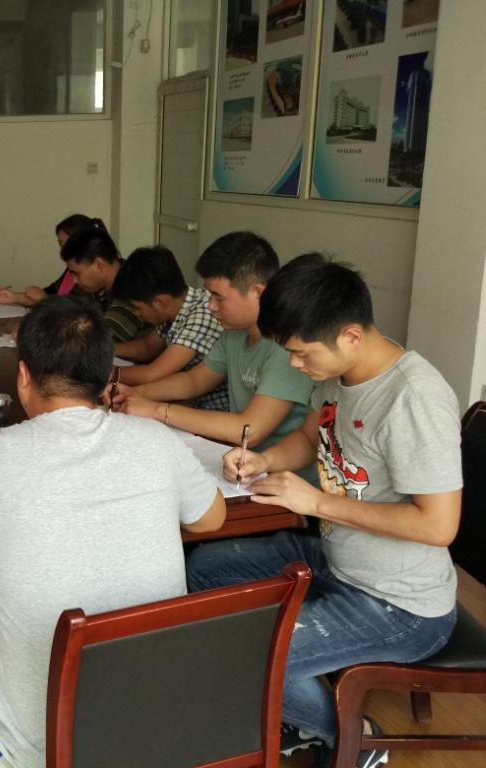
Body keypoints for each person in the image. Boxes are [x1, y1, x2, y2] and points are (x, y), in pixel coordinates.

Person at [0, 296, 226, 767]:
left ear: (23, 375)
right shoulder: (157, 441)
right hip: (158, 730)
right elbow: (210, 519)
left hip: (43, 747)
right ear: (106, 377)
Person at [188, 254, 462, 768]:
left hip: (400, 604)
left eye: (300, 353)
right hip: (340, 559)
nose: (295, 365)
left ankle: (358, 740)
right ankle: (290, 693)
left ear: (350, 336)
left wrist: (315, 501)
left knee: (247, 654)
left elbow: (439, 525)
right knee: (203, 568)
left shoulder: (412, 399)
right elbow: (312, 435)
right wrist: (265, 460)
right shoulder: (340, 373)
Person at [113, 232, 314, 458]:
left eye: (218, 297)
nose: (211, 306)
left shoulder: (288, 347)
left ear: (258, 293)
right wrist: (136, 393)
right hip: (240, 460)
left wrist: (158, 410)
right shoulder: (234, 334)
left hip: (278, 470)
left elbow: (249, 430)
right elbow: (194, 380)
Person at [109, 245, 229, 411]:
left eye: (137, 307)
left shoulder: (201, 314)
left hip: (210, 410)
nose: (136, 313)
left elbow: (152, 374)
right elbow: (147, 347)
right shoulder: (174, 309)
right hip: (186, 400)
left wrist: (107, 372)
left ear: (160, 302)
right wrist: (107, 349)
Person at [55, 218, 153, 359]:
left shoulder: (130, 289)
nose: (74, 281)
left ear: (99, 265)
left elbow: (97, 343)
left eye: (76, 273)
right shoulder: (102, 286)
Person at [0, 213, 92, 306]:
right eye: (61, 245)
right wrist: (13, 297)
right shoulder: (71, 270)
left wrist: (44, 299)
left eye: (68, 245)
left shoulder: (92, 275)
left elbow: (76, 309)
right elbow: (49, 293)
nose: (63, 251)